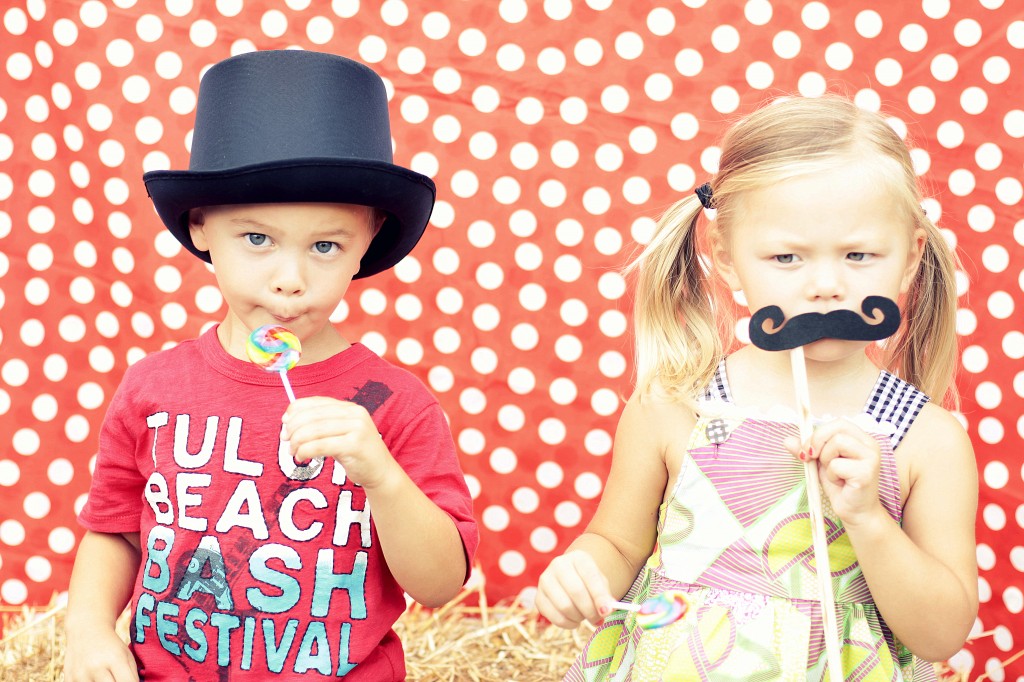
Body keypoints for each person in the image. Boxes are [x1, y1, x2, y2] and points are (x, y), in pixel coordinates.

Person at [63, 50, 478, 681]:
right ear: (201, 227)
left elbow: (440, 584)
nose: (290, 279)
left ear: (368, 239)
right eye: (257, 239)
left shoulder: (392, 401)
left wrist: (383, 479)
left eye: (325, 245)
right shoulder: (153, 387)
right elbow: (116, 531)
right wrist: (89, 629)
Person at [536, 95, 977, 680]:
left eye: (859, 254)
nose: (826, 285)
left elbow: (941, 634)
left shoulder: (926, 440)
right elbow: (617, 544)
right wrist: (580, 572)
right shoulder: (676, 405)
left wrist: (869, 519)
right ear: (726, 257)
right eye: (786, 257)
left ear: (910, 257)